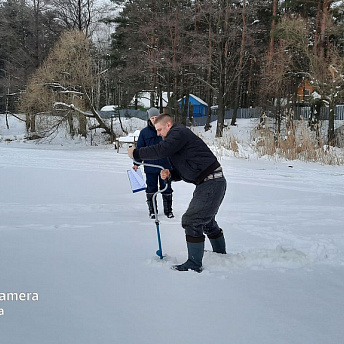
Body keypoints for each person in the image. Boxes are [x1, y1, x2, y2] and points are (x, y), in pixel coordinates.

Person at [128, 113, 226, 272]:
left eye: (159, 129)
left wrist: (136, 153)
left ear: (168, 125)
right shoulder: (177, 141)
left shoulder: (178, 132)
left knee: (192, 220)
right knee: (206, 222)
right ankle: (221, 256)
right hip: (207, 183)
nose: (158, 134)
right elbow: (184, 170)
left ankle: (194, 265)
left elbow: (161, 150)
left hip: (212, 182)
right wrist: (171, 174)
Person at [133, 108, 174, 219]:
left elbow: (172, 147)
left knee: (166, 187)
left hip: (164, 166)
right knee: (151, 188)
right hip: (150, 166)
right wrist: (136, 162)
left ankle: (168, 211)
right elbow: (140, 149)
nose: (154, 119)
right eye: (152, 118)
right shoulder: (144, 133)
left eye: (156, 117)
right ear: (149, 119)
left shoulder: (166, 130)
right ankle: (152, 210)